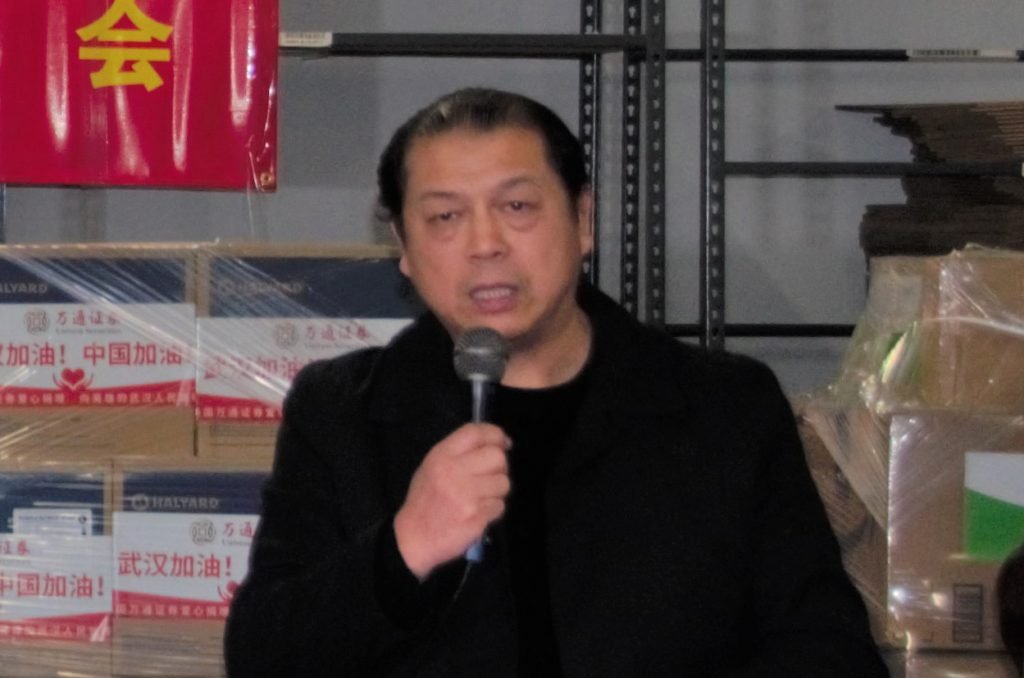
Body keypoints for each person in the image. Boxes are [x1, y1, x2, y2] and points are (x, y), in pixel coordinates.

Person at [224, 87, 889, 677]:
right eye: (445, 217)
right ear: (403, 244)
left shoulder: (725, 408)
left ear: (583, 220)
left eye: (517, 206)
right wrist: (403, 548)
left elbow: (830, 653)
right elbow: (264, 656)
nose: (485, 243)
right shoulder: (342, 413)